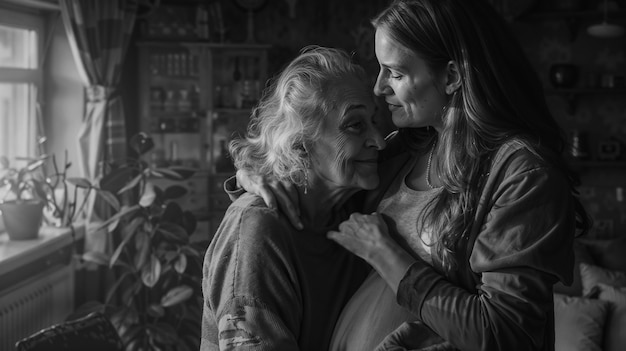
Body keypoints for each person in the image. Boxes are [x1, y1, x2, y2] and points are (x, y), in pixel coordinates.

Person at [231, 0, 591, 350]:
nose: (379, 87)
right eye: (381, 69)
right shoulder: (404, 150)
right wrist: (256, 176)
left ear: (451, 76)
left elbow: (505, 334)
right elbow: (317, 173)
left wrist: (387, 254)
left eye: (397, 73)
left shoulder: (522, 174)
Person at [200, 46, 386, 350]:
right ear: (300, 144)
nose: (378, 140)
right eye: (355, 125)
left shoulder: (351, 208)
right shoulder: (260, 230)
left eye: (374, 122)